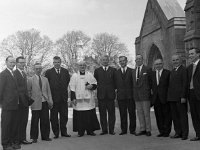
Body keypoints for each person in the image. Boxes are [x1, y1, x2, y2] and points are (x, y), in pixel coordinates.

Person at [69, 61, 100, 137]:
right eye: (80, 65)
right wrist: (73, 98)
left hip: (88, 100)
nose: (82, 66)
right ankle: (80, 131)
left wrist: (91, 86)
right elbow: (72, 87)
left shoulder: (89, 75)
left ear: (85, 66)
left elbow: (95, 84)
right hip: (78, 100)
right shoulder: (74, 76)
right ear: (78, 66)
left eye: (83, 65)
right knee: (80, 116)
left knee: (89, 114)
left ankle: (90, 131)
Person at [45, 56, 71, 138]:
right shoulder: (48, 72)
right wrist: (49, 99)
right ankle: (56, 133)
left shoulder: (65, 71)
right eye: (55, 62)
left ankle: (64, 132)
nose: (57, 64)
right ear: (53, 63)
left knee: (64, 116)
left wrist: (68, 97)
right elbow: (47, 86)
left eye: (58, 62)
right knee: (53, 117)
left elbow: (67, 83)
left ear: (60, 62)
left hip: (63, 98)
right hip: (53, 99)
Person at [28, 62, 53, 143]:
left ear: (42, 69)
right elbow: (28, 92)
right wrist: (31, 101)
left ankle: (45, 136)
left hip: (45, 102)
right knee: (35, 121)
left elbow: (48, 91)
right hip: (35, 103)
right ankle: (34, 137)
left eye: (40, 68)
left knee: (45, 120)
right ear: (34, 69)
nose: (38, 70)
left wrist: (50, 100)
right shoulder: (30, 79)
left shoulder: (45, 79)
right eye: (36, 69)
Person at [0, 56, 21, 150]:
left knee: (13, 125)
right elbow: (0, 90)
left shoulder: (14, 74)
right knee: (6, 126)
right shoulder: (3, 74)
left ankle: (11, 143)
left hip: (15, 105)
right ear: (6, 62)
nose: (12, 64)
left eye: (13, 62)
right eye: (10, 62)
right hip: (7, 105)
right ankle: (5, 144)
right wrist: (2, 104)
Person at [94, 55, 116, 135]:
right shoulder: (97, 71)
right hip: (101, 96)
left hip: (110, 96)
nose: (105, 61)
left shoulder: (113, 70)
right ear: (101, 61)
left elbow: (115, 83)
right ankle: (104, 130)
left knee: (111, 114)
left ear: (108, 61)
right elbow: (95, 82)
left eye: (106, 60)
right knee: (102, 114)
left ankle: (111, 130)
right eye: (103, 60)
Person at [167, 54, 189, 140]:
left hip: (180, 98)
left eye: (176, 60)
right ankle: (178, 132)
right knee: (175, 117)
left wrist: (183, 96)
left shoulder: (183, 70)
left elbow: (185, 84)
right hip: (172, 98)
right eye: (173, 60)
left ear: (180, 60)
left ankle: (184, 134)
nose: (175, 61)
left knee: (182, 116)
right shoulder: (172, 71)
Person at [150, 58, 172, 137]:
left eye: (159, 64)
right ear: (154, 65)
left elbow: (170, 86)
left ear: (162, 64)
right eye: (156, 64)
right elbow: (150, 86)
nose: (158, 65)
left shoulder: (168, 73)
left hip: (165, 98)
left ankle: (167, 132)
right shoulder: (152, 74)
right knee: (158, 115)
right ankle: (161, 131)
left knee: (167, 115)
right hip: (156, 99)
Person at [13, 56, 32, 145]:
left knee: (24, 121)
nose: (22, 64)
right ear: (16, 64)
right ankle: (16, 140)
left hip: (25, 102)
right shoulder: (14, 73)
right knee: (18, 122)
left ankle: (23, 138)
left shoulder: (24, 74)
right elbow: (15, 89)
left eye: (23, 62)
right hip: (18, 102)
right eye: (20, 63)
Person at [116, 56, 136, 135]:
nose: (122, 62)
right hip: (121, 97)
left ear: (126, 61)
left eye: (123, 61)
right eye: (120, 61)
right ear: (119, 62)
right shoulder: (116, 72)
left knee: (132, 114)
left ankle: (132, 130)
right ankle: (123, 130)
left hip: (130, 96)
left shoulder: (132, 71)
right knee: (122, 114)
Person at [132, 54, 151, 136]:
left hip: (145, 95)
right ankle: (142, 129)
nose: (138, 60)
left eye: (140, 59)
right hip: (137, 96)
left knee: (146, 113)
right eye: (137, 59)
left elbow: (150, 82)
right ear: (135, 61)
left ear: (142, 60)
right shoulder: (133, 71)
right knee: (139, 113)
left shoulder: (147, 69)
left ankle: (148, 130)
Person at [187, 48, 200, 141]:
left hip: (199, 93)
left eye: (192, 53)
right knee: (194, 115)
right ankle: (198, 134)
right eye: (189, 54)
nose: (190, 55)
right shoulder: (189, 67)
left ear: (198, 54)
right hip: (191, 94)